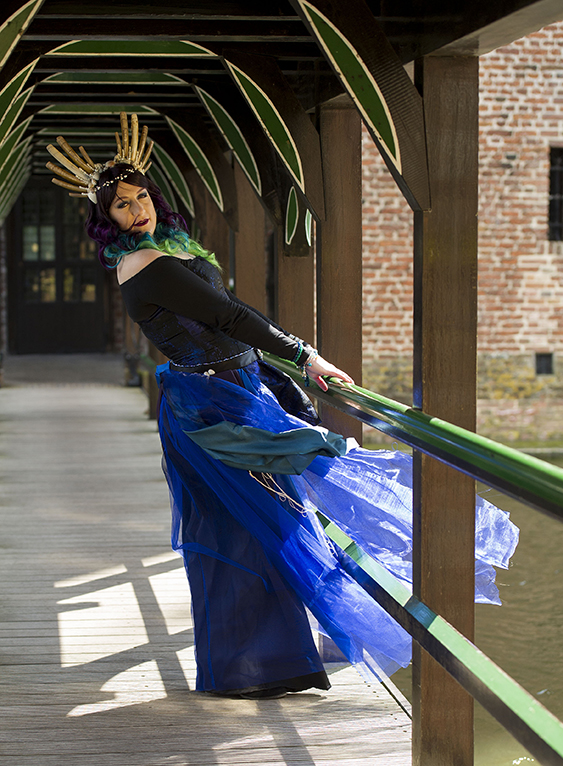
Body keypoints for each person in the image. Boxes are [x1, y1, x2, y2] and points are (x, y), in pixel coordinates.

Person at [47, 114, 518, 700]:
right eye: (122, 204)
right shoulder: (142, 264)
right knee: (258, 527)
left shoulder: (162, 250)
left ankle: (271, 660)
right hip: (214, 409)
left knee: (265, 523)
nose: (137, 209)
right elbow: (227, 315)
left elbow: (224, 311)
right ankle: (253, 666)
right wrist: (304, 354)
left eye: (142, 196)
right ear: (106, 218)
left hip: (235, 393)